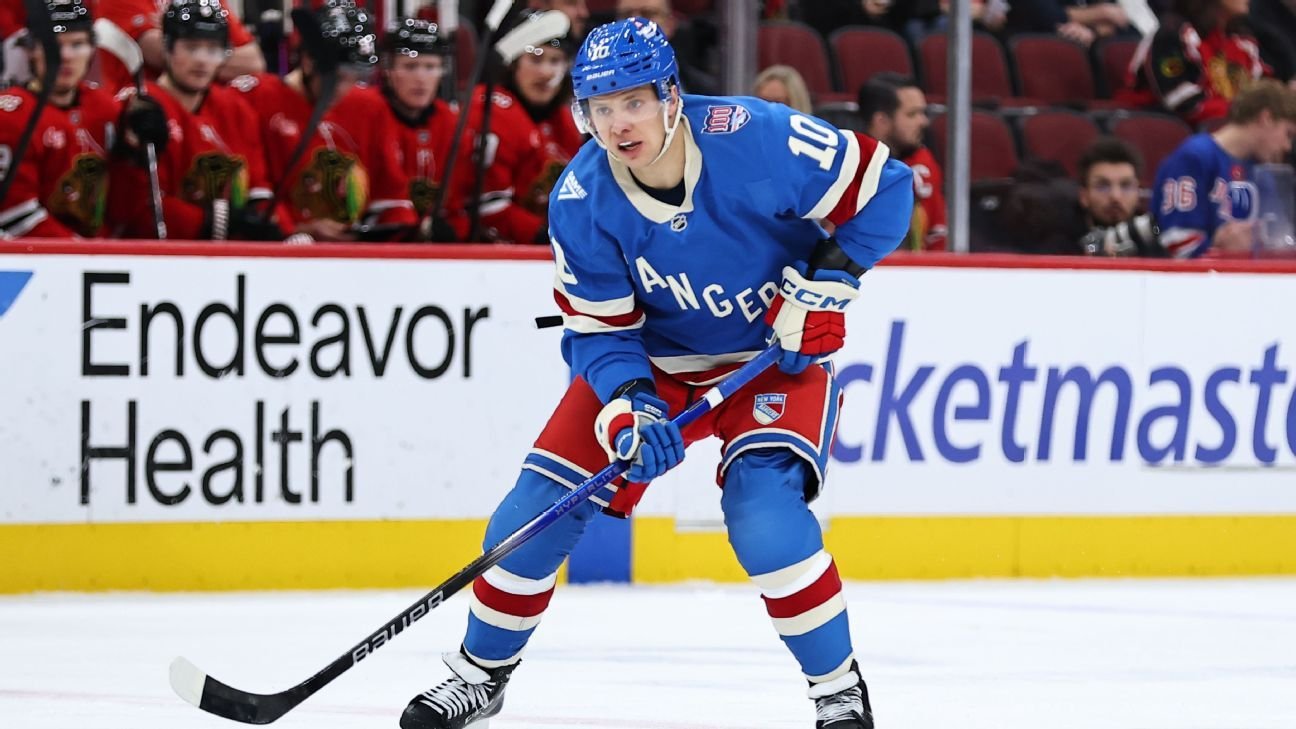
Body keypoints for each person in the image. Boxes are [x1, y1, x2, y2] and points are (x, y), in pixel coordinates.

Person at [400, 16, 912, 729]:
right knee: (528, 519)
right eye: (601, 107)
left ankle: (838, 691)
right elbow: (600, 332)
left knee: (766, 519)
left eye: (634, 102)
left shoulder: (756, 136)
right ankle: (480, 677)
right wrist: (630, 406)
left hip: (767, 360)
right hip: (654, 363)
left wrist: (827, 283)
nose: (618, 124)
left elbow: (888, 188)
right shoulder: (581, 200)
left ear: (672, 95)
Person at [230, 0, 417, 241]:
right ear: (308, 62)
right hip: (279, 248)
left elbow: (391, 195)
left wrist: (397, 233)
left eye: (356, 76)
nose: (345, 88)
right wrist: (296, 230)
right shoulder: (254, 99)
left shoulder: (370, 106)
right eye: (340, 77)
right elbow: (253, 194)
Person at [109, 0, 283, 241]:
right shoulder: (141, 108)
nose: (202, 60)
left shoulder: (236, 110)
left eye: (212, 50)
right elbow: (136, 210)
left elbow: (258, 189)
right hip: (161, 254)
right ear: (168, 48)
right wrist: (219, 221)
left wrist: (278, 228)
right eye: (191, 48)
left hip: (230, 254)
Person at [455, 9, 583, 243]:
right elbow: (488, 210)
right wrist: (549, 238)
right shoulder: (490, 110)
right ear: (513, 63)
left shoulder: (564, 121)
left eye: (555, 61)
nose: (546, 72)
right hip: (490, 251)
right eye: (535, 58)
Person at [0, 0, 124, 238]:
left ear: (92, 50)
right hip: (31, 255)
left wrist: (134, 149)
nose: (65, 56)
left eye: (77, 44)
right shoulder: (10, 115)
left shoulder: (106, 108)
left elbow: (124, 204)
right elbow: (12, 215)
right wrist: (81, 252)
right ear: (31, 50)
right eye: (54, 45)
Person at [1153, 78, 1296, 256]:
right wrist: (1220, 249)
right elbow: (1177, 241)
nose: (1287, 146)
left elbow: (1281, 240)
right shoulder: (1194, 157)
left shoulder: (1263, 172)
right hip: (1201, 274)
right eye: (1288, 134)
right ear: (1266, 118)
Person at [351, 17, 463, 240]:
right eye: (410, 66)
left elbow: (456, 203)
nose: (420, 78)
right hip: (371, 237)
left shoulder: (450, 121)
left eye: (430, 67)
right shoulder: (366, 113)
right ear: (388, 70)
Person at [1120, 0, 1271, 126]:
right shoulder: (1171, 35)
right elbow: (1181, 101)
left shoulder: (1243, 40)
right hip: (1157, 127)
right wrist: (1246, 114)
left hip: (1228, 129)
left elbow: (1263, 90)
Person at [858, 73, 947, 250]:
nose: (924, 121)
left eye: (923, 112)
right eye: (912, 114)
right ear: (881, 121)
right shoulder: (849, 168)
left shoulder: (923, 161)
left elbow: (937, 235)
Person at [1075, 137, 1165, 256]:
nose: (1115, 196)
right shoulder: (1064, 243)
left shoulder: (1157, 238)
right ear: (1084, 196)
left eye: (1126, 185)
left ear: (1138, 192)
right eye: (1103, 186)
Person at [616, 0, 718, 94]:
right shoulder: (606, 87)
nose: (634, 23)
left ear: (670, 24)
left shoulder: (708, 91)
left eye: (647, 13)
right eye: (626, 15)